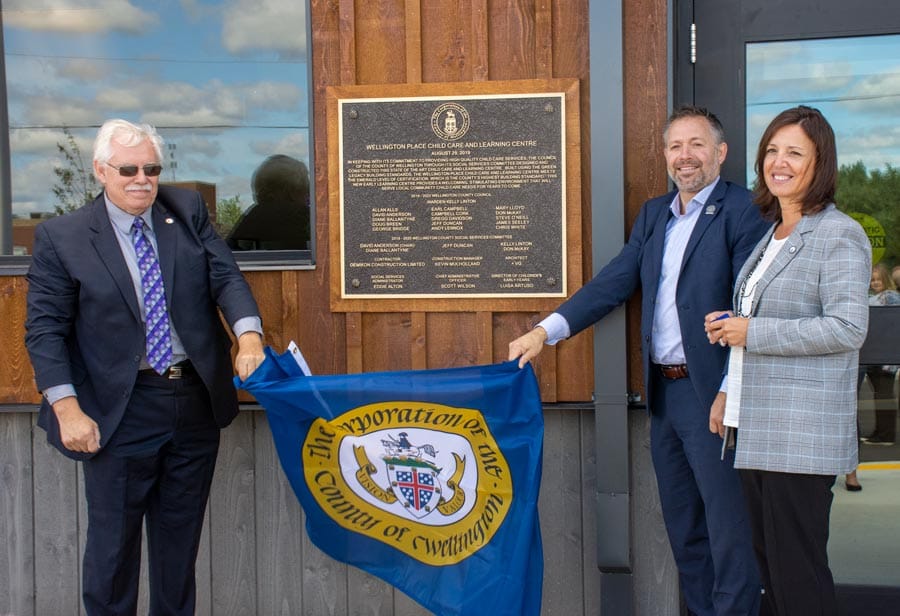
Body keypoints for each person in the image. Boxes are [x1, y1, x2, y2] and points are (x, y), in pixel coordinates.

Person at [509, 105, 768, 616]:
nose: (685, 156)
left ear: (721, 152)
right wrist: (546, 330)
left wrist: (729, 391)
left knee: (728, 533)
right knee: (685, 531)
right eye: (675, 146)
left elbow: (750, 306)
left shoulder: (744, 211)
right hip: (665, 397)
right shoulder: (655, 215)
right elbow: (614, 281)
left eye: (697, 145)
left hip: (713, 397)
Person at [25, 119, 266, 616]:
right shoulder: (62, 237)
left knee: (179, 551)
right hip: (119, 409)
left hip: (191, 403)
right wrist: (67, 409)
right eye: (128, 169)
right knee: (113, 553)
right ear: (100, 171)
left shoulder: (186, 211)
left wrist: (249, 337)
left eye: (151, 168)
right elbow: (45, 331)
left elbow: (227, 278)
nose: (142, 179)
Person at [704, 106, 870, 616]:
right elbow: (762, 324)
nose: (779, 162)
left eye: (795, 152)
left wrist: (752, 331)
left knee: (798, 576)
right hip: (756, 426)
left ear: (820, 163)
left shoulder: (838, 233)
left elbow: (847, 327)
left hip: (801, 435)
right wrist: (728, 389)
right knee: (772, 572)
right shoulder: (772, 234)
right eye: (772, 151)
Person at [226, 153, 311, 250]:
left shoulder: (249, 219)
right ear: (292, 191)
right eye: (306, 189)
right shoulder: (305, 220)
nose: (308, 197)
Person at [860, 263, 900, 445]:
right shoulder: (876, 297)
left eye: (878, 279)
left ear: (886, 279)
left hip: (885, 357)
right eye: (872, 280)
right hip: (877, 355)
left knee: (884, 395)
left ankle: (886, 434)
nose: (875, 283)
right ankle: (880, 432)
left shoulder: (890, 297)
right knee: (879, 395)